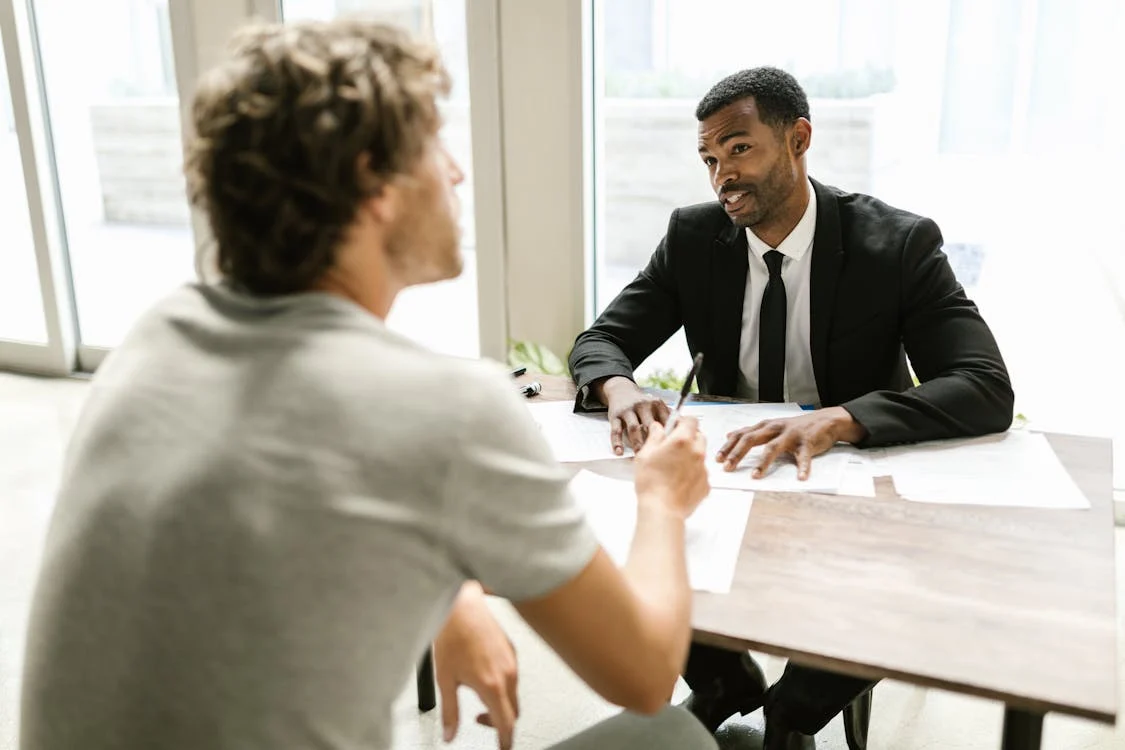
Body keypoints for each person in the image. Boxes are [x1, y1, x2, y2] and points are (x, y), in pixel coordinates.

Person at [19, 19, 720, 750]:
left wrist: (455, 593)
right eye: (433, 144)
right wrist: (660, 498)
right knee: (672, 736)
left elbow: (285, 500)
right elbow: (643, 671)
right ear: (370, 182)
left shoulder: (153, 338)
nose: (455, 172)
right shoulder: (448, 410)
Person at [568, 67, 1014, 748]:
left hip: (841, 479)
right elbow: (602, 340)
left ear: (798, 138)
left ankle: (792, 716)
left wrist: (841, 417)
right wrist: (620, 387)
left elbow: (982, 383)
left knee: (890, 581)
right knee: (622, 531)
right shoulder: (694, 238)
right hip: (730, 470)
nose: (722, 176)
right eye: (709, 158)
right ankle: (721, 683)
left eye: (739, 148)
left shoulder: (895, 244)